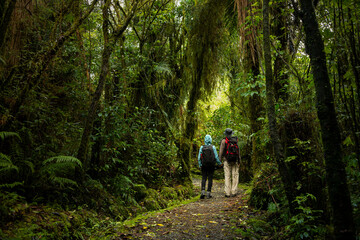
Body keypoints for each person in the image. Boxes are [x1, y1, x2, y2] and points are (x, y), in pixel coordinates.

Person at [198, 134, 222, 199]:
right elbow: (216, 157)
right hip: (211, 165)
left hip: (204, 165)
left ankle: (203, 192)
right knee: (210, 178)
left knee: (204, 178)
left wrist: (200, 165)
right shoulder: (213, 147)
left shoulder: (202, 147)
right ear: (210, 139)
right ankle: (208, 193)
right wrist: (219, 163)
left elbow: (199, 157)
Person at [219, 128, 240, 197]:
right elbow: (238, 151)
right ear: (231, 134)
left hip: (226, 160)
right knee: (235, 175)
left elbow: (221, 152)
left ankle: (227, 193)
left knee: (227, 176)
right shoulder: (235, 140)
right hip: (235, 161)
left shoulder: (224, 141)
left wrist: (220, 160)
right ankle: (234, 191)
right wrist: (239, 160)